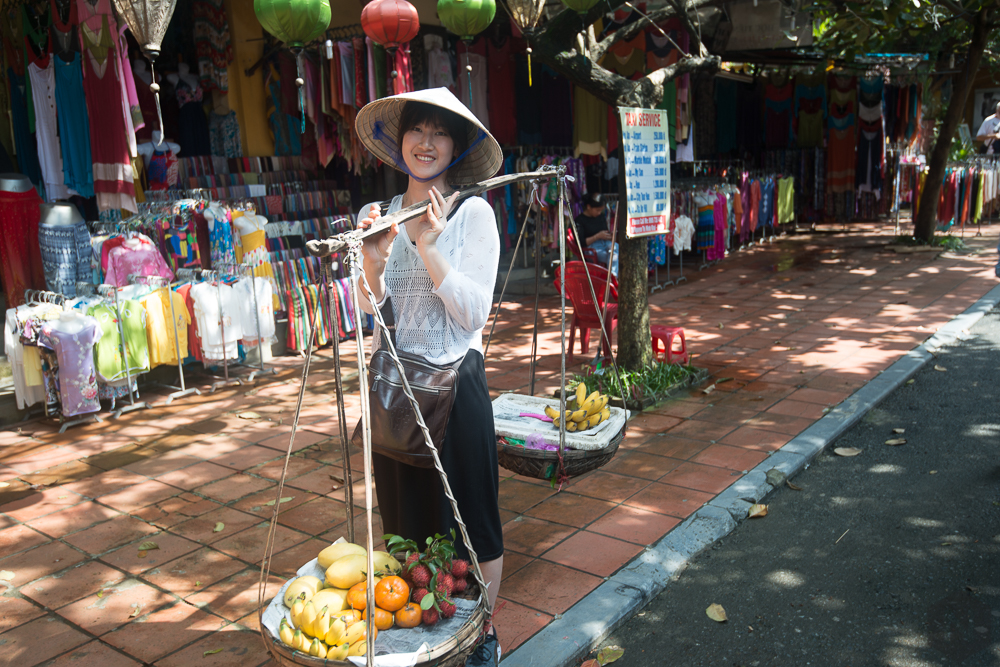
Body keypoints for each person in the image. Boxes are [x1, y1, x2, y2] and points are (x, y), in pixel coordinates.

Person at [354, 88, 503, 666]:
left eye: (440, 133)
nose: (426, 142)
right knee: (407, 527)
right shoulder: (379, 216)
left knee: (471, 526)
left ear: (456, 146)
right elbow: (369, 310)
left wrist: (429, 248)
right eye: (416, 129)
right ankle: (428, 642)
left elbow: (473, 314)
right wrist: (372, 261)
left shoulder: (473, 215)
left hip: (455, 391)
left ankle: (482, 635)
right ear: (400, 141)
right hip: (396, 393)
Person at [574, 192, 618, 275]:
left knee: (617, 249)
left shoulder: (600, 217)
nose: (599, 213)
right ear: (589, 207)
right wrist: (597, 236)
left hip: (605, 244)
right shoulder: (579, 220)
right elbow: (581, 242)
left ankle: (612, 278)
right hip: (592, 248)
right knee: (614, 256)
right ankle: (613, 278)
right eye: (597, 210)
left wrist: (610, 236)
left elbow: (605, 232)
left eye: (601, 210)